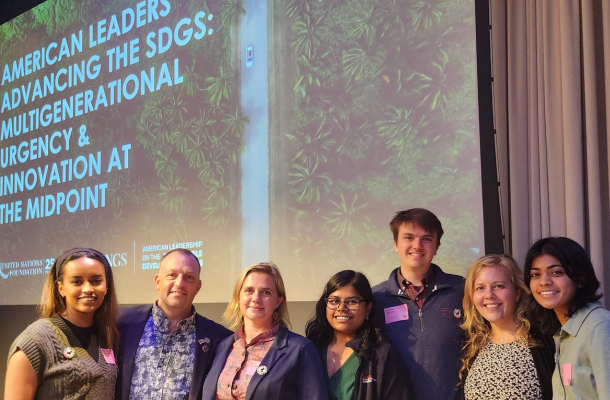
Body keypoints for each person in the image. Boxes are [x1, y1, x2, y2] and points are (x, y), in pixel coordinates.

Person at [371, 208, 465, 400]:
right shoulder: (376, 297)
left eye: (427, 239)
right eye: (409, 237)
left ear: (436, 246)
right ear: (396, 244)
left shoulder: (462, 290)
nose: (417, 245)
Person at [115, 248, 232, 400]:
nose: (180, 283)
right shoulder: (122, 323)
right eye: (172, 275)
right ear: (158, 281)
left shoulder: (219, 339)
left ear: (198, 286)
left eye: (189, 277)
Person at [201, 262, 328, 400]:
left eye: (266, 292)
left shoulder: (300, 349)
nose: (256, 298)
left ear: (278, 301)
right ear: (238, 297)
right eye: (249, 290)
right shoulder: (223, 346)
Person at [4, 248, 119, 400]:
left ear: (106, 286)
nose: (88, 289)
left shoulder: (107, 336)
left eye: (96, 281)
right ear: (61, 288)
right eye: (77, 282)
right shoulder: (35, 341)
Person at [524, 237, 610, 400]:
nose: (543, 282)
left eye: (556, 272)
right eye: (536, 274)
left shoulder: (599, 326)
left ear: (580, 279)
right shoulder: (563, 332)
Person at [306, 270, 412, 400]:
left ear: (367, 308)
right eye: (334, 301)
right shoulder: (310, 348)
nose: (341, 308)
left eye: (352, 301)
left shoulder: (382, 355)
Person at [460, 254, 554, 400]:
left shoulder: (545, 339)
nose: (489, 295)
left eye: (498, 286)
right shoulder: (472, 345)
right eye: (480, 288)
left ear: (517, 292)